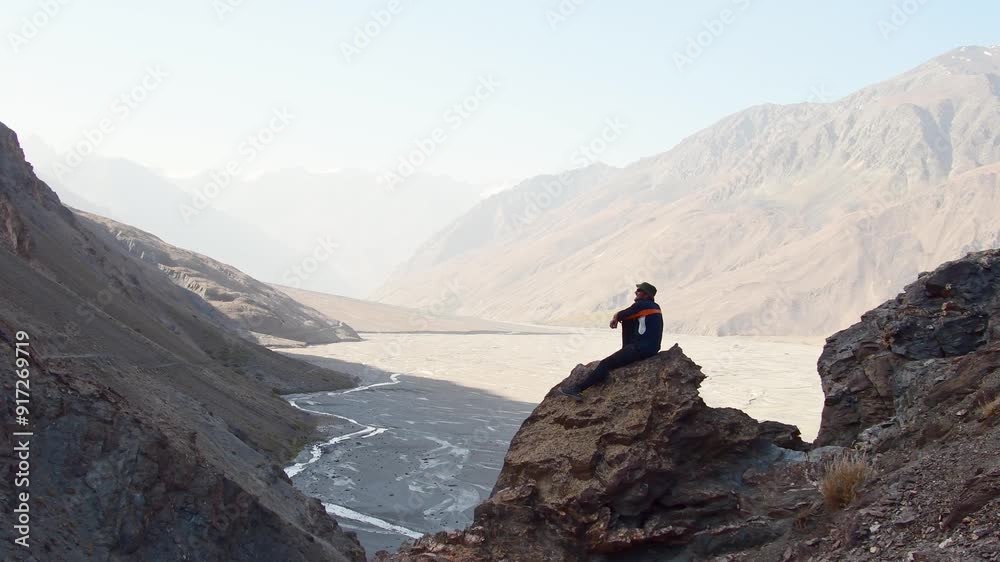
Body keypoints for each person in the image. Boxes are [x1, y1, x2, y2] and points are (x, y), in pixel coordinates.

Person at [559, 282, 663, 400]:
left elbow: (623, 314)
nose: (636, 292)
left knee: (605, 364)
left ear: (646, 295)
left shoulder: (642, 305)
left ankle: (577, 389)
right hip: (651, 348)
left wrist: (615, 317)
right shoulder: (654, 306)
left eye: (639, 291)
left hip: (640, 348)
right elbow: (628, 316)